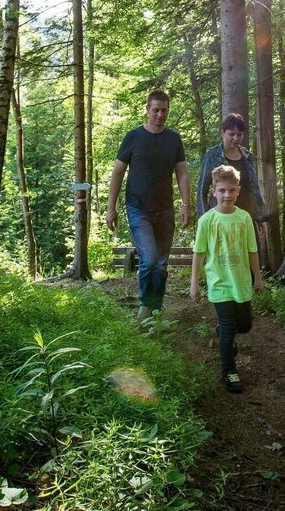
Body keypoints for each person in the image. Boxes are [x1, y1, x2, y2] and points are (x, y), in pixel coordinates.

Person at [106, 89, 191, 320]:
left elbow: (182, 173)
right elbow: (117, 172)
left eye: (164, 110)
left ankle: (156, 309)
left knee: (161, 264)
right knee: (150, 259)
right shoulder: (133, 137)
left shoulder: (173, 139)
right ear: (147, 109)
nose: (160, 115)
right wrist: (111, 207)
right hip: (138, 207)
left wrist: (186, 205)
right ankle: (145, 305)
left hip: (165, 209)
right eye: (156, 110)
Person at [189, 165, 263, 393]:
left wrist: (258, 278)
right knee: (230, 327)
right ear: (213, 191)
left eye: (231, 190)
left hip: (241, 282)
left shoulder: (244, 218)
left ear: (238, 191)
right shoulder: (207, 220)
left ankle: (223, 334)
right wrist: (194, 283)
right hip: (219, 283)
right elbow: (199, 253)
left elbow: (252, 250)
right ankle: (229, 370)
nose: (227, 195)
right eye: (222, 190)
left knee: (245, 325)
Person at [196, 113, 269, 232]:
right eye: (231, 134)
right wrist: (205, 219)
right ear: (223, 133)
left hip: (246, 217)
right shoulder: (212, 155)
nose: (236, 138)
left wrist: (259, 216)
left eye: (239, 134)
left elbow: (253, 188)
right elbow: (201, 190)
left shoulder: (247, 156)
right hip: (221, 219)